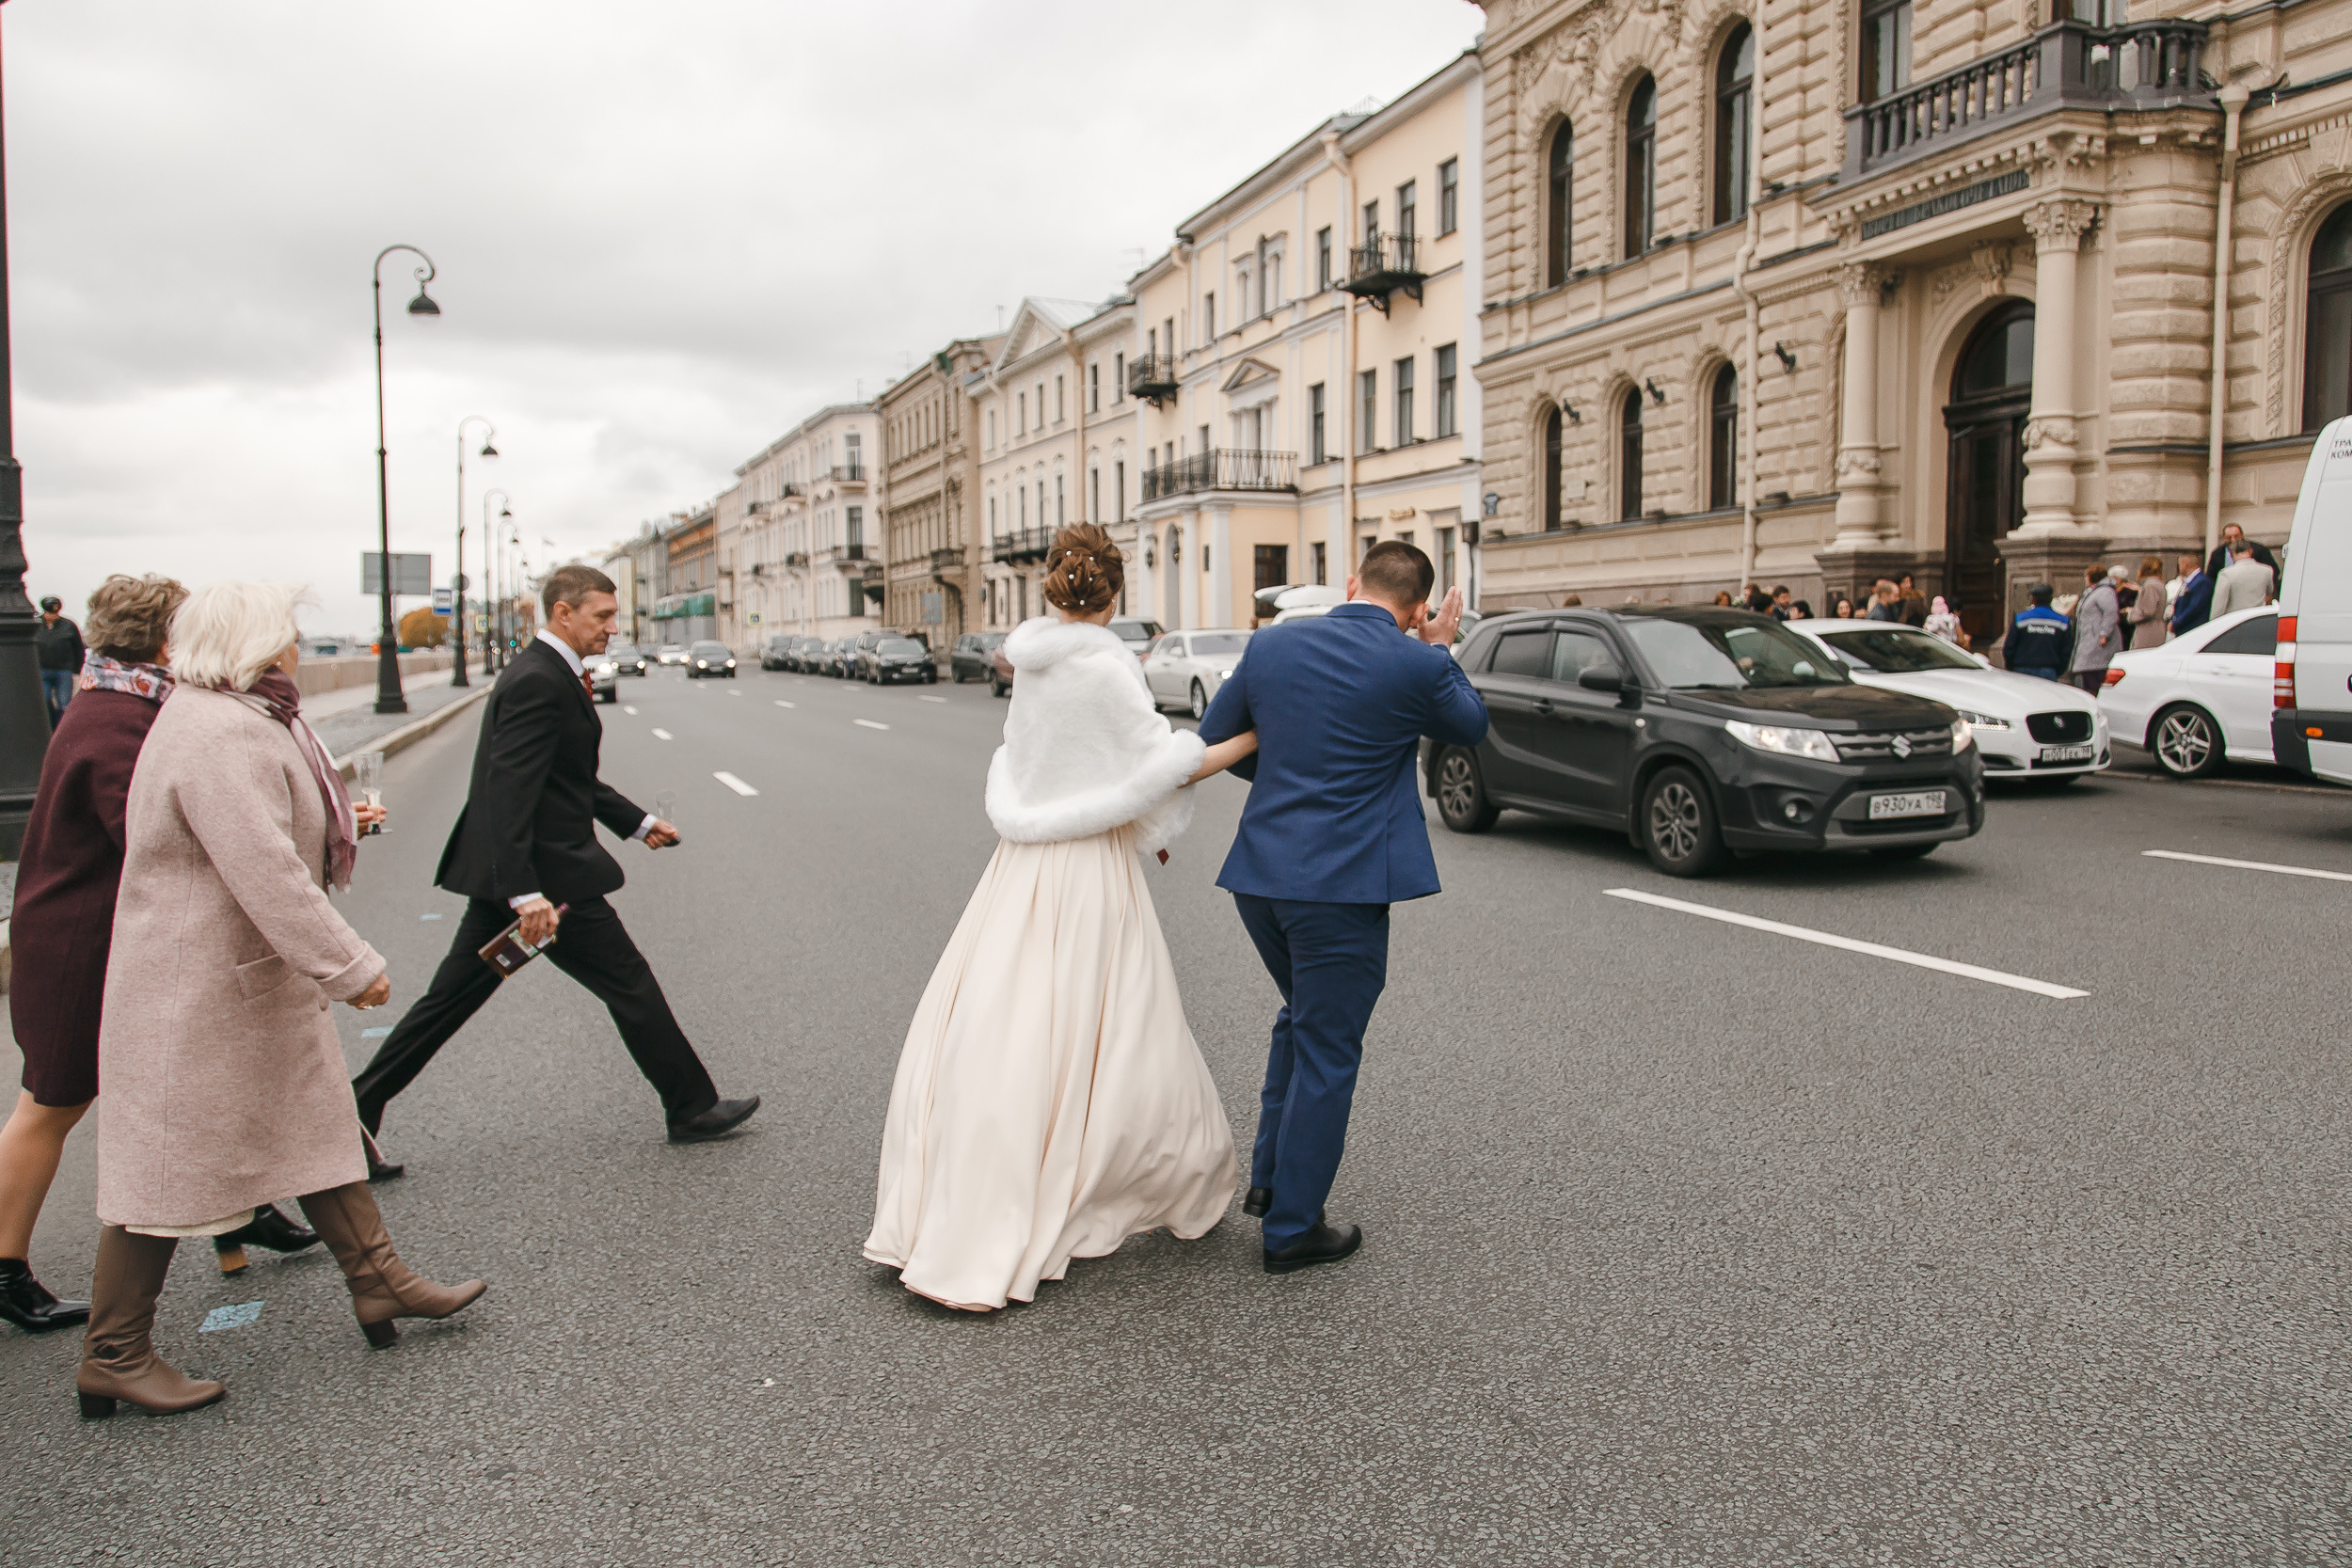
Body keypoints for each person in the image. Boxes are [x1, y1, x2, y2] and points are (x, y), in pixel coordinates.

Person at [83, 581, 482, 1418]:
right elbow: (263, 867)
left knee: (313, 1125)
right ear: (256, 645)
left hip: (234, 977)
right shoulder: (220, 731)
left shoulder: (229, 717)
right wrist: (349, 964)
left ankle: (378, 1278)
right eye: (288, 633)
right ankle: (114, 1352)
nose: (297, 646)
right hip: (196, 989)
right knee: (167, 1167)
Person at [865, 527, 1254, 1311]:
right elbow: (1161, 764)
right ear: (1113, 596)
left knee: (1007, 1018)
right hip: (1086, 867)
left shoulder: (1033, 666)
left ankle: (972, 1193)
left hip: (1021, 862)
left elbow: (1052, 764)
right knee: (1121, 1024)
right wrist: (1254, 734)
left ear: (1052, 588)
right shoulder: (1107, 667)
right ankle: (1130, 1175)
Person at [350, 564, 758, 1175]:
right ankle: (691, 1107)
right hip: (547, 887)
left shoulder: (548, 672)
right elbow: (507, 790)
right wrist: (524, 892)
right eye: (602, 616)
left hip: (526, 885)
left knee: (450, 1002)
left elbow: (566, 778)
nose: (612, 628)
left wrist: (638, 823)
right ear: (563, 613)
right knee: (628, 982)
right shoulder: (539, 680)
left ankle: (354, 1112)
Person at [1198, 541, 1487, 1275]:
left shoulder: (1272, 645)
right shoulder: (1417, 661)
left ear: (1351, 583)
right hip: (1340, 887)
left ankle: (1271, 1182)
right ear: (1417, 610)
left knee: (1302, 1017)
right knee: (1329, 1047)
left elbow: (1215, 739)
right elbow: (1471, 724)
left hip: (1260, 876)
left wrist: (1288, 768)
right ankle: (1293, 1229)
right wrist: (1440, 648)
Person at [2069, 563, 2122, 693]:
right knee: (2087, 677)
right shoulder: (2092, 592)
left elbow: (2110, 612)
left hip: (2097, 643)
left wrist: (2104, 634)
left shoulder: (2105, 592)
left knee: (2094, 679)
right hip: (2089, 640)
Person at [2004, 583, 2072, 679]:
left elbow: (2009, 646)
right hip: (2049, 670)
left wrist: (2011, 666)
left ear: (2033, 599)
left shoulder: (2020, 619)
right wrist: (2059, 670)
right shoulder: (2062, 621)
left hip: (2021, 669)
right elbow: (2066, 650)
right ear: (2051, 599)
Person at [36, 594, 84, 731]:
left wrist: (77, 668)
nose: (53, 616)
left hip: (63, 670)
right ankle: (48, 729)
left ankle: (61, 729)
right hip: (42, 669)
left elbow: (78, 648)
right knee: (44, 702)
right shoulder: (36, 625)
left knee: (64, 704)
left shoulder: (69, 626)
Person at [2211, 539, 2276, 618]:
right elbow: (2269, 592)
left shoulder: (2226, 574)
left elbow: (2219, 605)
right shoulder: (2267, 570)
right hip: (2259, 618)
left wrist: (2214, 620)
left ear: (2231, 554)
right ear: (2251, 551)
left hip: (2236, 620)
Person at [2204, 522, 2278, 584]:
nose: (2233, 540)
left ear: (2242, 535)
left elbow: (2273, 570)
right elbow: (2210, 577)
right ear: (2224, 537)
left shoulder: (2258, 550)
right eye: (2229, 537)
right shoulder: (2217, 554)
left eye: (2236, 536)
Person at [2129, 555, 2170, 649]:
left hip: (2149, 629)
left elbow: (2148, 611)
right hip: (2156, 628)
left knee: (2141, 655)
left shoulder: (2150, 585)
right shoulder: (2159, 584)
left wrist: (2131, 614)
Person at [2170, 552, 2214, 638]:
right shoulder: (2190, 581)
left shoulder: (2202, 582)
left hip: (2193, 629)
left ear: (2185, 564)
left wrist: (2177, 623)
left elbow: (2195, 607)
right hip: (2184, 629)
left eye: (2179, 565)